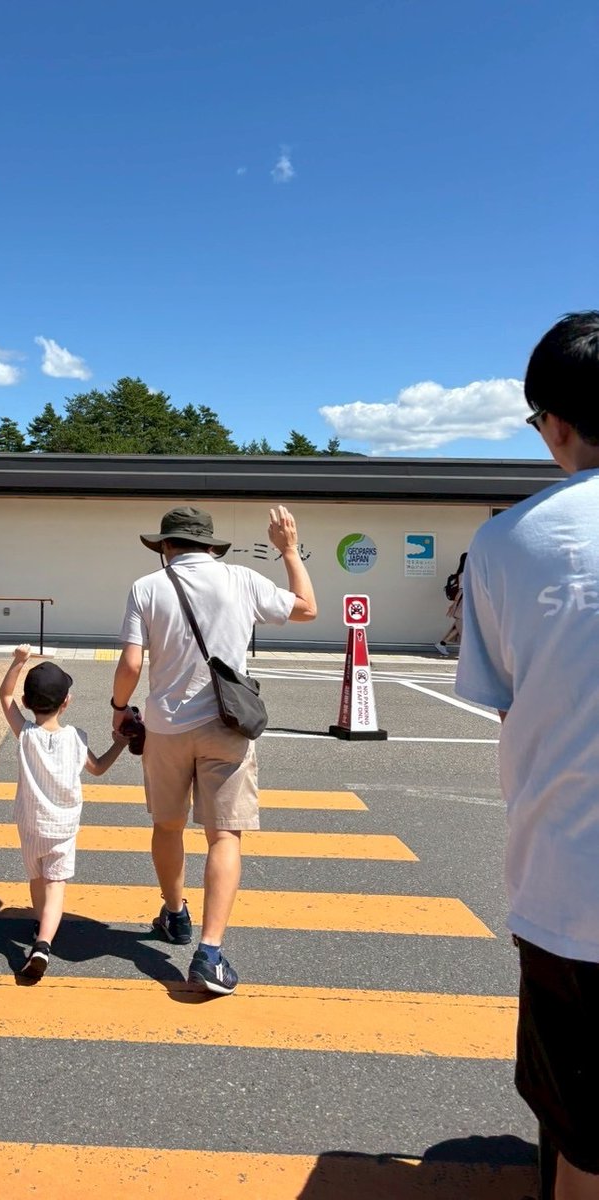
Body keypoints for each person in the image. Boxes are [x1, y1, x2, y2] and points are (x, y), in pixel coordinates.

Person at [455, 311, 599, 1200]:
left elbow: (502, 696)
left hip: (569, 886)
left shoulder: (508, 541)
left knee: (580, 1136)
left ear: (550, 420)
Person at [111, 504, 317, 995]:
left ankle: (176, 914)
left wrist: (119, 707)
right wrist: (288, 550)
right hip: (227, 724)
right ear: (210, 545)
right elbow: (307, 608)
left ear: (165, 546)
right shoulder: (242, 580)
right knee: (224, 836)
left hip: (164, 728)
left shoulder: (147, 587)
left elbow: (132, 662)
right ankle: (209, 952)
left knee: (167, 824)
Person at [0, 645, 128, 979]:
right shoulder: (76, 738)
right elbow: (98, 768)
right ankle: (44, 943)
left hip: (30, 825)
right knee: (57, 884)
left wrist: (19, 662)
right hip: (63, 827)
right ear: (66, 701)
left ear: (28, 703)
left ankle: (41, 924)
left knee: (37, 879)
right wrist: (121, 743)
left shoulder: (26, 735)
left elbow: (4, 696)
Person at [436, 551, 467, 656]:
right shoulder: (464, 574)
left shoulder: (464, 573)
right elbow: (461, 591)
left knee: (460, 626)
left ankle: (442, 643)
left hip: (464, 603)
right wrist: (454, 605)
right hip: (463, 604)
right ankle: (467, 651)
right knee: (463, 626)